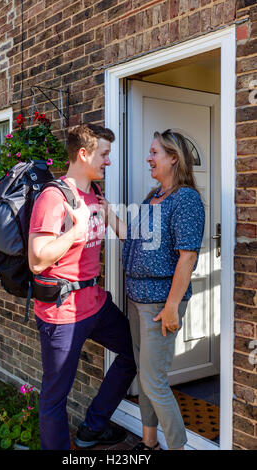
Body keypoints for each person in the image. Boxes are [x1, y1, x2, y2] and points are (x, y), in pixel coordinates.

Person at [28, 124, 136, 450]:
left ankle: (92, 428)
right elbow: (37, 260)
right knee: (55, 397)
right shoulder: (53, 197)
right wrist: (74, 232)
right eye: (104, 154)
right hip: (61, 313)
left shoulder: (95, 194)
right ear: (84, 154)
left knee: (133, 354)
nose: (109, 161)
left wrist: (107, 213)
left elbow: (126, 235)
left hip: (95, 304)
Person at [97, 129, 205, 451]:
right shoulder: (153, 196)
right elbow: (133, 239)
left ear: (174, 158)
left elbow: (188, 257)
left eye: (154, 152)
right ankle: (148, 443)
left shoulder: (185, 199)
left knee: (154, 381)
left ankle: (177, 446)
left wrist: (172, 306)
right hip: (136, 301)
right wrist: (107, 212)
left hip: (160, 304)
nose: (149, 158)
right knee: (145, 380)